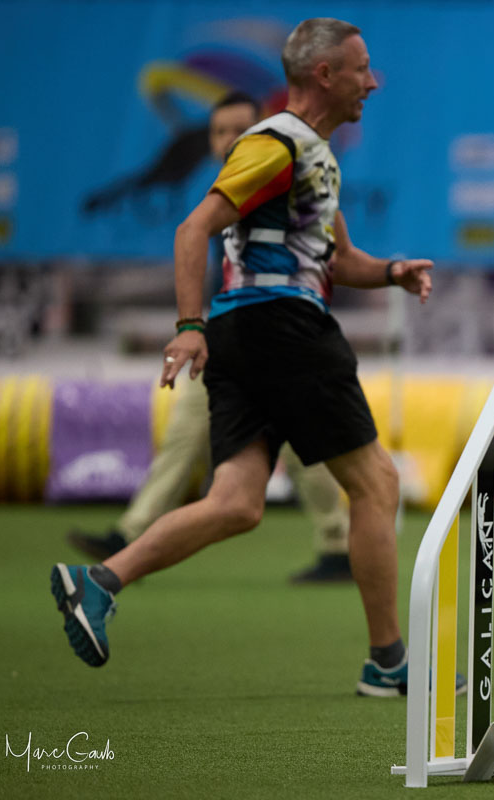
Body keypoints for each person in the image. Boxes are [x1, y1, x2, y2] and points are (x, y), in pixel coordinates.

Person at [50, 18, 458, 698]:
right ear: (324, 73)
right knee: (377, 485)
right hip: (284, 328)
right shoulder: (276, 144)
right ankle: (388, 663)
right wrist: (187, 325)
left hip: (249, 335)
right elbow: (193, 229)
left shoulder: (314, 154)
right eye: (362, 68)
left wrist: (392, 271)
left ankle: (99, 583)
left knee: (237, 504)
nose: (374, 81)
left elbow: (338, 259)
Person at [67, 91, 354, 584]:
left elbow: (320, 256)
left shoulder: (278, 181)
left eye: (239, 130)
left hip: (278, 341)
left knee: (301, 451)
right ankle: (131, 535)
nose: (228, 141)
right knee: (189, 435)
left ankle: (339, 544)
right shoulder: (226, 189)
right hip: (230, 338)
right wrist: (197, 326)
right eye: (219, 132)